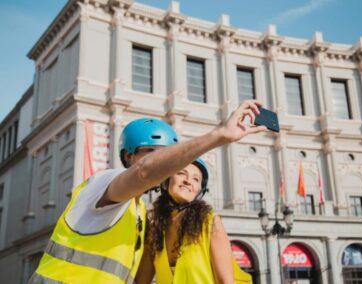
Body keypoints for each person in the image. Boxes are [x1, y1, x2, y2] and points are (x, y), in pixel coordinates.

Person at [30, 100, 266, 283]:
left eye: (166, 155)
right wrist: (219, 135)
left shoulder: (142, 213)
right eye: (150, 151)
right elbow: (144, 172)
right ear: (129, 156)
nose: (161, 162)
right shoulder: (104, 182)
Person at [135, 158, 252, 284]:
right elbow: (140, 281)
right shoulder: (155, 230)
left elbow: (226, 282)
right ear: (166, 180)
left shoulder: (211, 223)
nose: (188, 181)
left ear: (199, 191)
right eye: (181, 173)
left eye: (196, 179)